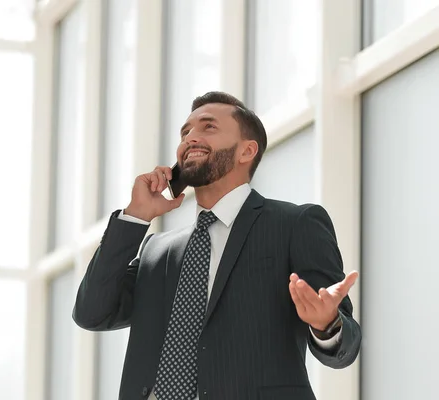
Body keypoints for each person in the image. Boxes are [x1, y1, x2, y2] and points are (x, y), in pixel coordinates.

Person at [73, 91, 361, 400]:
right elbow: (92, 313)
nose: (190, 138)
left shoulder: (295, 224)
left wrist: (326, 323)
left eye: (208, 127)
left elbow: (345, 349)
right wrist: (135, 217)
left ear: (246, 151)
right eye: (186, 132)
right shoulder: (157, 250)